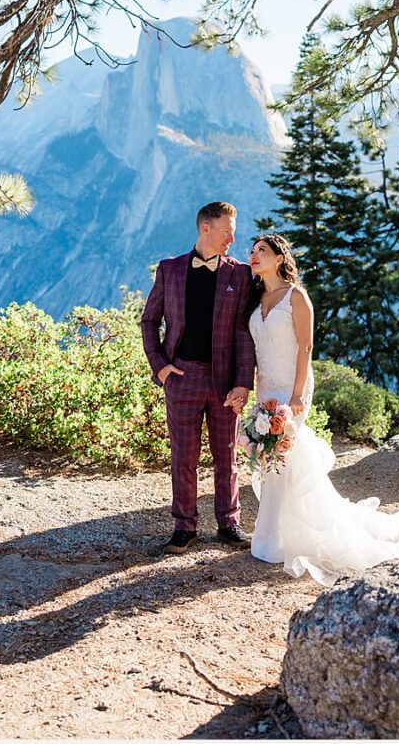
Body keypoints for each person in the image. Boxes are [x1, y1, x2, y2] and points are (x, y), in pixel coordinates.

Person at [244, 232, 399, 585]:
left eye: (262, 250)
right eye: (252, 251)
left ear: (280, 258)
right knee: (273, 458)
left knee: (290, 453)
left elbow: (306, 348)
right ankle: (273, 533)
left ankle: (288, 535)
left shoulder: (297, 298)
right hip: (265, 387)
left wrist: (296, 395)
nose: (253, 255)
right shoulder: (257, 297)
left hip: (292, 387)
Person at [140, 201, 255, 554]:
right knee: (183, 457)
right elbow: (149, 321)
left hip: (225, 381)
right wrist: (160, 366)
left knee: (227, 455)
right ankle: (184, 527)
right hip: (182, 376)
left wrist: (243, 382)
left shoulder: (239, 273)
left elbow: (243, 332)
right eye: (227, 230)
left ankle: (228, 523)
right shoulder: (170, 269)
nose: (233, 238)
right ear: (206, 228)